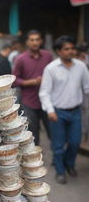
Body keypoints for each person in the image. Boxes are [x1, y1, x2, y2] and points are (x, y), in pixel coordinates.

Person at [39, 36, 89, 184]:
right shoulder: (51, 69)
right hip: (58, 112)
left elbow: (87, 87)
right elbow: (44, 92)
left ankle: (69, 164)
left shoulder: (80, 66)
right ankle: (60, 171)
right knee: (58, 145)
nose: (70, 51)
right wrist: (50, 110)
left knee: (75, 142)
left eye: (72, 48)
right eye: (66, 49)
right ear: (58, 51)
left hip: (75, 111)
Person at [13, 30, 52, 145]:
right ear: (27, 42)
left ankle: (57, 161)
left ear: (41, 41)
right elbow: (14, 79)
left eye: (37, 39)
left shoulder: (48, 56)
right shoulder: (21, 59)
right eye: (32, 40)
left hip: (47, 100)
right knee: (33, 134)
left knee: (53, 132)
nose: (35, 42)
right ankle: (35, 160)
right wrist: (30, 82)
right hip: (29, 102)